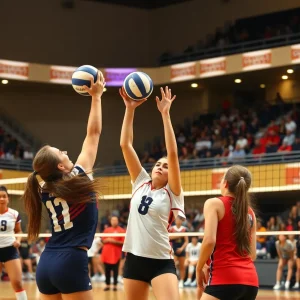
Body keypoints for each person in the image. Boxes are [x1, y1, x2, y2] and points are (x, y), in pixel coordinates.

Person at [22, 71, 105, 300]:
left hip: (47, 262)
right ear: (60, 167)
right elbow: (93, 134)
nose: (66, 152)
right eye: (61, 152)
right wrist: (96, 97)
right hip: (70, 261)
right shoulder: (77, 178)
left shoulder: (44, 189)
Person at [119, 86, 185, 300]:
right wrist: (130, 109)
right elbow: (125, 144)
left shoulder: (172, 191)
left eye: (165, 167)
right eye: (157, 164)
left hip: (160, 262)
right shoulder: (140, 182)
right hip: (134, 259)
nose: (160, 167)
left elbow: (173, 154)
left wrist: (165, 114)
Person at [196, 165, 258, 300]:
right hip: (251, 283)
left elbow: (209, 241)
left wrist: (199, 267)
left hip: (224, 278)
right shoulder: (250, 213)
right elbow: (252, 255)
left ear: (225, 183)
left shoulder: (214, 203)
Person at [0, 185, 28, 300]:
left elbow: (19, 230)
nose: (1, 199)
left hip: (9, 249)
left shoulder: (14, 214)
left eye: (4, 196)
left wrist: (18, 240)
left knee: (17, 283)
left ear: (8, 199)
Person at [101, 216, 125, 291]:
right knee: (107, 270)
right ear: (110, 221)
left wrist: (114, 241)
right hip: (106, 254)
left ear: (118, 221)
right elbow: (102, 240)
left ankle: (115, 285)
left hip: (116, 254)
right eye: (112, 220)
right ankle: (107, 284)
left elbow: (123, 242)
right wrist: (108, 240)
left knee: (115, 270)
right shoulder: (106, 230)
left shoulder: (121, 231)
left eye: (115, 220)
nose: (114, 221)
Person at [169, 217, 188, 288]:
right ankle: (174, 280)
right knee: (174, 265)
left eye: (180, 220)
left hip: (181, 250)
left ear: (181, 221)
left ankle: (182, 281)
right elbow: (169, 238)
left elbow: (186, 241)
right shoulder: (171, 229)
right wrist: (179, 235)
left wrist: (182, 248)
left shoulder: (184, 229)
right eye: (177, 220)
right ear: (175, 221)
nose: (178, 221)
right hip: (173, 249)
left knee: (182, 266)